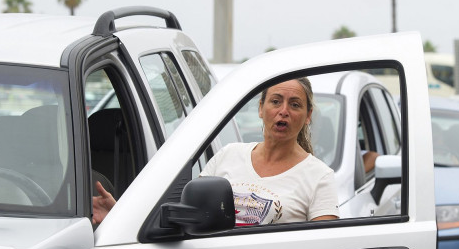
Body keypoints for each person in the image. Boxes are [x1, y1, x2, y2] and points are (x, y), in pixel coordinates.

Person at [92, 77, 339, 226]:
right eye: (275, 101)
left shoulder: (319, 177)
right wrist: (118, 217)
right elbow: (184, 216)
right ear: (261, 109)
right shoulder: (227, 156)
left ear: (307, 117)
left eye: (295, 105)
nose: (284, 111)